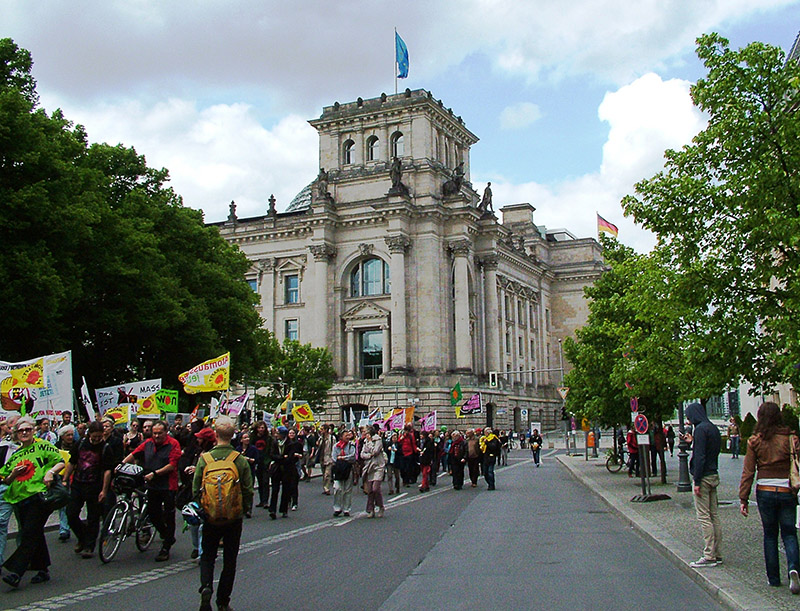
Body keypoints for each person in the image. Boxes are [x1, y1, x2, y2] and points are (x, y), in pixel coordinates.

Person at [738, 402, 800, 593]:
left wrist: (743, 498)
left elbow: (748, 471)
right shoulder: (791, 438)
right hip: (786, 489)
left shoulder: (755, 440)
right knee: (789, 533)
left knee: (770, 535)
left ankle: (773, 578)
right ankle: (793, 569)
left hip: (764, 489)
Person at [195, 416, 253, 611]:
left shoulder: (205, 459)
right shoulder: (240, 460)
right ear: (233, 434)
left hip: (211, 516)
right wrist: (244, 509)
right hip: (233, 517)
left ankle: (206, 587)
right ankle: (223, 601)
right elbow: (248, 488)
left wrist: (203, 507)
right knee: (230, 559)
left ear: (215, 434)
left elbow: (196, 489)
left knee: (207, 556)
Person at [0, 416, 65, 588]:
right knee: (35, 532)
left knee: (29, 533)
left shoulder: (42, 446)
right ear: (16, 434)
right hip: (19, 499)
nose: (24, 433)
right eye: (21, 430)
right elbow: (5, 479)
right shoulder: (15, 454)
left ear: (33, 431)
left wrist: (50, 472)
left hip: (39, 497)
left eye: (27, 429)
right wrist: (13, 474)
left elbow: (60, 461)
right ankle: (42, 569)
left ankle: (15, 571)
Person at [123, 419, 182, 561]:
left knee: (169, 514)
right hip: (152, 484)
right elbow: (135, 454)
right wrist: (122, 465)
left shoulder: (173, 444)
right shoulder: (148, 443)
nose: (156, 436)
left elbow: (172, 465)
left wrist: (155, 473)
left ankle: (166, 547)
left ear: (166, 432)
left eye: (159, 433)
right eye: (154, 433)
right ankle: (166, 533)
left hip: (167, 485)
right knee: (153, 513)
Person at [63, 421, 114, 559]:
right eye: (95, 436)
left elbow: (107, 471)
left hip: (95, 486)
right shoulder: (80, 444)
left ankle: (89, 546)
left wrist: (104, 490)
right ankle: (83, 536)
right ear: (89, 434)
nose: (97, 439)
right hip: (78, 484)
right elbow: (72, 462)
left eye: (99, 436)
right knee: (71, 513)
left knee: (93, 517)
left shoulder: (105, 448)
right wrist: (65, 479)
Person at [684, 402, 722, 569]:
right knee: (714, 515)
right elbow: (709, 450)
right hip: (714, 473)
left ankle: (708, 555)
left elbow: (699, 457)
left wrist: (697, 480)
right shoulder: (712, 428)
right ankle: (717, 552)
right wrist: (693, 442)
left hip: (704, 477)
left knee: (704, 516)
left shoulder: (699, 429)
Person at [268, 426, 302, 519]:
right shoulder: (275, 443)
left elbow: (291, 457)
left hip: (287, 469)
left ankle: (283, 509)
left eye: (278, 433)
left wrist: (282, 458)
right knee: (275, 490)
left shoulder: (290, 444)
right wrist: (282, 457)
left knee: (286, 490)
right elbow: (272, 455)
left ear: (283, 434)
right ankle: (272, 509)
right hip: (276, 469)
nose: (276, 435)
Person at [0, 416, 19, 569]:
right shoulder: (5, 446)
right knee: (1, 524)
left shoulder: (33, 446)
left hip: (23, 490)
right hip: (5, 488)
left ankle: (25, 560)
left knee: (26, 526)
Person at [361, 424, 386, 517]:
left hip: (378, 466)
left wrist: (371, 443)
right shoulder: (365, 441)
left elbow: (376, 451)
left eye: (366, 432)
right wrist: (368, 455)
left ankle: (380, 506)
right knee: (370, 490)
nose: (365, 434)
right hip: (369, 467)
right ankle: (371, 509)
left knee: (376, 488)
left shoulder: (377, 440)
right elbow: (362, 454)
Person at [332, 429, 357, 516]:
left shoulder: (351, 445)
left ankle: (346, 509)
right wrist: (339, 460)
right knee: (337, 488)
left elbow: (353, 457)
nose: (347, 437)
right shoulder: (336, 446)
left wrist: (343, 458)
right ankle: (337, 508)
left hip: (348, 468)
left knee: (347, 490)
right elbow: (334, 457)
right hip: (338, 469)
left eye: (348, 435)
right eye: (346, 435)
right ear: (341, 437)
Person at [251, 421, 272, 508]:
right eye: (259, 428)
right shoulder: (253, 437)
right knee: (259, 481)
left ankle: (265, 501)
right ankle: (261, 500)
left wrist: (270, 461)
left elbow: (270, 449)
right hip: (257, 461)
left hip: (265, 461)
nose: (261, 429)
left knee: (265, 481)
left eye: (262, 428)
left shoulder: (268, 438)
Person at [314, 424, 334, 496]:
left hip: (329, 457)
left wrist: (333, 457)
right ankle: (325, 487)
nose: (321, 431)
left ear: (326, 430)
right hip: (321, 458)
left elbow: (334, 448)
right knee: (323, 474)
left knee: (327, 474)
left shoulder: (332, 438)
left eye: (322, 429)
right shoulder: (320, 438)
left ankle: (327, 488)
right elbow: (318, 446)